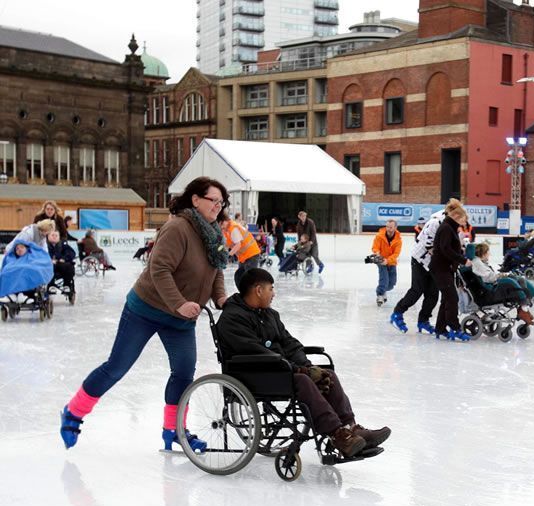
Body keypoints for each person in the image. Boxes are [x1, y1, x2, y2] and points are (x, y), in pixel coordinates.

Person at [59, 177, 230, 451]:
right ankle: (73, 412)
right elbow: (159, 270)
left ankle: (174, 431)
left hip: (180, 318)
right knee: (117, 366)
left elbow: (215, 269)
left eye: (222, 203)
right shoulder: (178, 228)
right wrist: (179, 303)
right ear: (195, 199)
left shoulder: (213, 233)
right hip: (146, 309)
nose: (218, 207)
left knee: (184, 372)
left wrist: (219, 296)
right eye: (214, 200)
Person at [216, 268, 391, 458]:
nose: (273, 293)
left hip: (278, 369)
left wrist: (306, 366)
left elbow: (289, 343)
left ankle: (351, 428)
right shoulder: (232, 318)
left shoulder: (269, 315)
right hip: (253, 374)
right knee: (302, 380)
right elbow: (254, 351)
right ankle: (337, 435)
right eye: (271, 289)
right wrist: (297, 370)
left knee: (327, 375)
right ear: (258, 290)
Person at [390, 210, 445, 335]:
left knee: (433, 293)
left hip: (433, 263)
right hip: (420, 260)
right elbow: (428, 244)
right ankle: (397, 313)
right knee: (417, 290)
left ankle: (423, 321)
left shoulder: (450, 224)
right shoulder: (435, 222)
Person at [430, 199, 473, 340]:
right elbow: (445, 249)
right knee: (452, 298)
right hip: (440, 269)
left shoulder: (450, 227)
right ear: (456, 217)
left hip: (445, 269)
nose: (465, 222)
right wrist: (463, 260)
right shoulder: (447, 228)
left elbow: (450, 248)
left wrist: (460, 255)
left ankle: (440, 328)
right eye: (464, 219)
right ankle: (455, 328)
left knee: (447, 299)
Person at [470, 243, 534, 324]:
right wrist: (501, 275)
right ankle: (524, 308)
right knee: (515, 280)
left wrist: (503, 275)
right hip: (493, 291)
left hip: (492, 286)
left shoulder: (479, 262)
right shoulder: (478, 264)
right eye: (488, 252)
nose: (489, 254)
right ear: (483, 254)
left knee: (520, 279)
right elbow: (489, 278)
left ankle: (524, 308)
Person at [222, 218, 260, 290]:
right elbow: (227, 244)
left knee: (249, 278)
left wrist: (228, 255)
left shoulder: (233, 228)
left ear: (225, 221)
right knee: (239, 276)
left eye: (221, 223)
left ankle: (252, 296)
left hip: (251, 254)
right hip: (243, 257)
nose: (221, 227)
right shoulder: (226, 231)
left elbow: (238, 245)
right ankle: (244, 294)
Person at [372, 220, 402, 306]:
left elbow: (396, 253)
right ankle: (380, 294)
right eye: (387, 227)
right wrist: (377, 254)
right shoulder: (379, 236)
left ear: (395, 228)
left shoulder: (398, 240)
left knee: (392, 283)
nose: (389, 229)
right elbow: (375, 247)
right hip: (380, 260)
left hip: (391, 261)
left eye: (391, 227)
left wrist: (388, 261)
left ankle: (383, 290)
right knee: (384, 279)